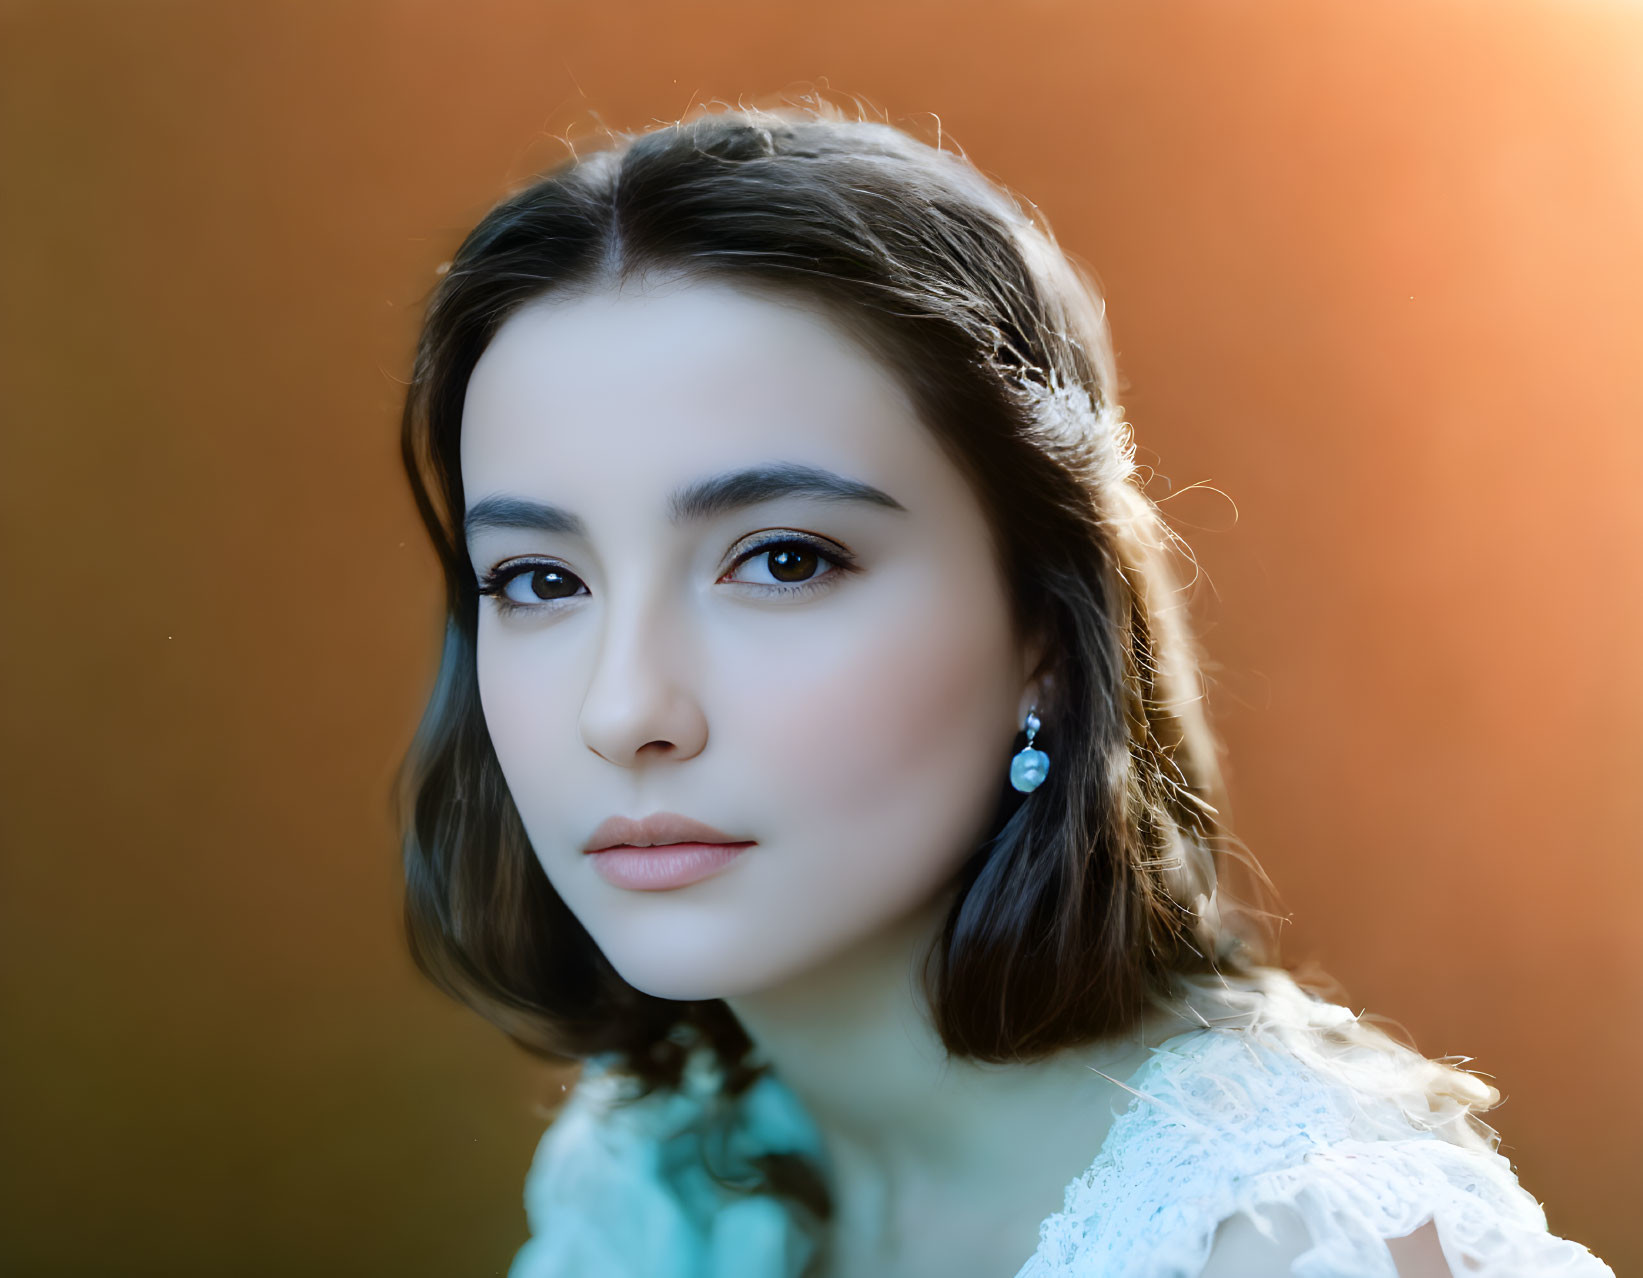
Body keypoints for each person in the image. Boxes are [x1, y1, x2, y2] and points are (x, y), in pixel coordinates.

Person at [392, 98, 1616, 1278]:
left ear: (1043, 628)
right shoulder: (666, 1174)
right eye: (542, 581)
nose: (624, 713)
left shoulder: (1296, 1245)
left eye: (781, 560)